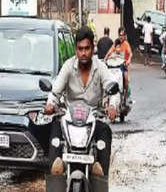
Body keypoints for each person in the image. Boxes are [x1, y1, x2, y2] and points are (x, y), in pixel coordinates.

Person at [44, 26, 118, 177]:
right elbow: (55, 91)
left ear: (93, 48)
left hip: (93, 117)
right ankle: (55, 170)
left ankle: (100, 176)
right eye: (80, 49)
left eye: (87, 48)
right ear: (76, 50)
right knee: (54, 130)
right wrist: (51, 104)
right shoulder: (68, 66)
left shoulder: (101, 68)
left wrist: (112, 106)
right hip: (69, 118)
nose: (83, 53)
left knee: (105, 132)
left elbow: (113, 88)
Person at [105, 28, 132, 98]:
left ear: (125, 36)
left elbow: (130, 53)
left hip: (122, 66)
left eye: (123, 35)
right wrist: (105, 58)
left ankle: (125, 97)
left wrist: (128, 60)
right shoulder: (116, 42)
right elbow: (109, 51)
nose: (121, 37)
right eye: (120, 35)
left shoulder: (126, 44)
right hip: (114, 66)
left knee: (126, 78)